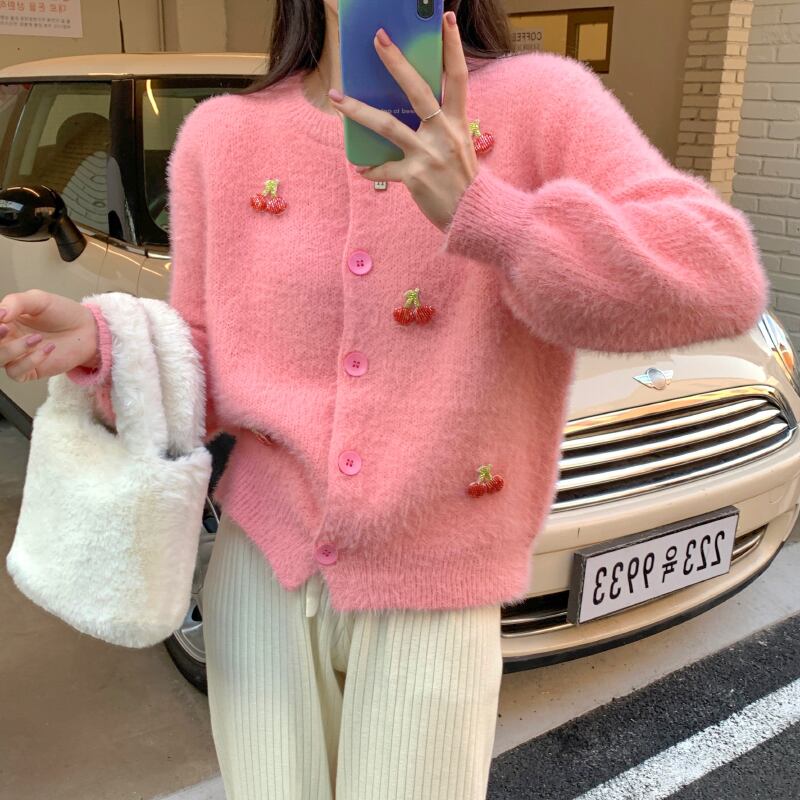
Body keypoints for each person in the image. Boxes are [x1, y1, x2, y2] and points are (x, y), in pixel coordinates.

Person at [0, 1, 769, 798]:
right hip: (261, 575)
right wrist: (107, 344)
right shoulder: (221, 137)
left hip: (437, 595)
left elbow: (722, 279)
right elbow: (207, 359)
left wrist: (487, 211)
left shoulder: (543, 102)